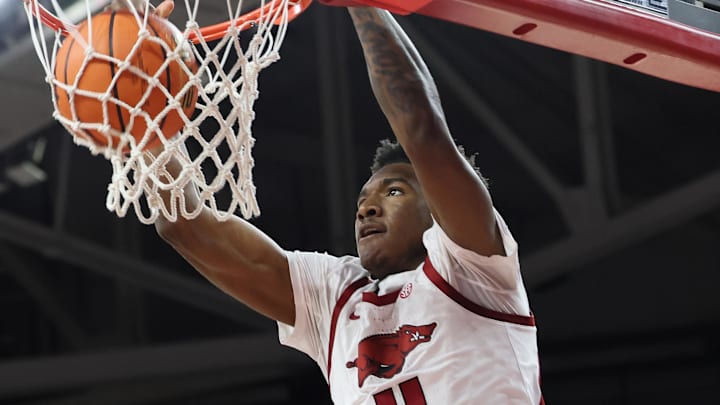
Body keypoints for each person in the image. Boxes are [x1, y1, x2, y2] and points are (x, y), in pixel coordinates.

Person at [153, 1, 543, 403]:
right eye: (363, 199)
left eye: (394, 191)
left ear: (438, 212)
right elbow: (184, 226)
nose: (367, 209)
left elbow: (421, 125)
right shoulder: (337, 296)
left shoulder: (474, 269)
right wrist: (147, 119)